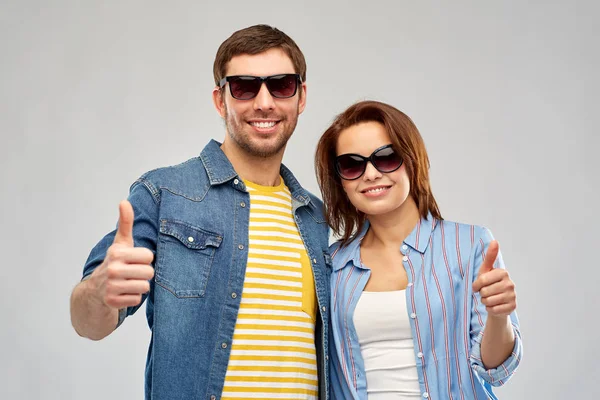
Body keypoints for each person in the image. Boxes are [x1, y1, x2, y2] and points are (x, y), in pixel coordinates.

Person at [70, 25, 331, 400]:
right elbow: (88, 323)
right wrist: (99, 291)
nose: (264, 102)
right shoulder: (165, 194)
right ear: (220, 99)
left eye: (281, 85)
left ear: (300, 96)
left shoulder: (316, 218)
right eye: (244, 87)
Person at [315, 100, 522, 399]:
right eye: (352, 164)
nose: (371, 174)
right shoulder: (331, 264)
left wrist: (499, 316)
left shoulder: (470, 245)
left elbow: (496, 369)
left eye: (386, 157)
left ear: (412, 160)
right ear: (340, 182)